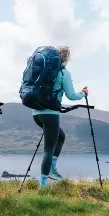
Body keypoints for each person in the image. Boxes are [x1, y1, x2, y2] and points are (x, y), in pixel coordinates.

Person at [32, 45, 87, 186]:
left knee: (60, 136)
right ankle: (43, 185)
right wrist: (83, 93)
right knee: (48, 149)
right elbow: (71, 95)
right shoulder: (64, 73)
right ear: (67, 57)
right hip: (50, 114)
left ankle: (52, 169)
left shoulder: (43, 70)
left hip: (36, 113)